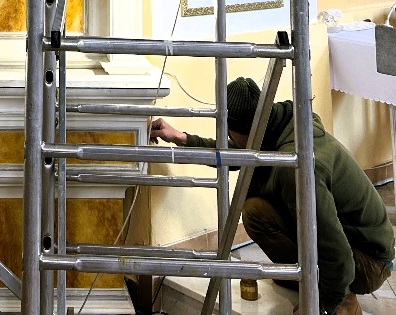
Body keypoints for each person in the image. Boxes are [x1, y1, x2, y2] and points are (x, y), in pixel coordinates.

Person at [150, 77, 395, 315]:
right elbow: (239, 152)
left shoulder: (294, 165)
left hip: (369, 261)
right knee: (256, 212)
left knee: (330, 276)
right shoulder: (277, 125)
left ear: (245, 131)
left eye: (231, 133)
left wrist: (322, 303)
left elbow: (336, 251)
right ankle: (304, 278)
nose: (230, 138)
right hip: (351, 243)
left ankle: (343, 299)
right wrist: (182, 138)